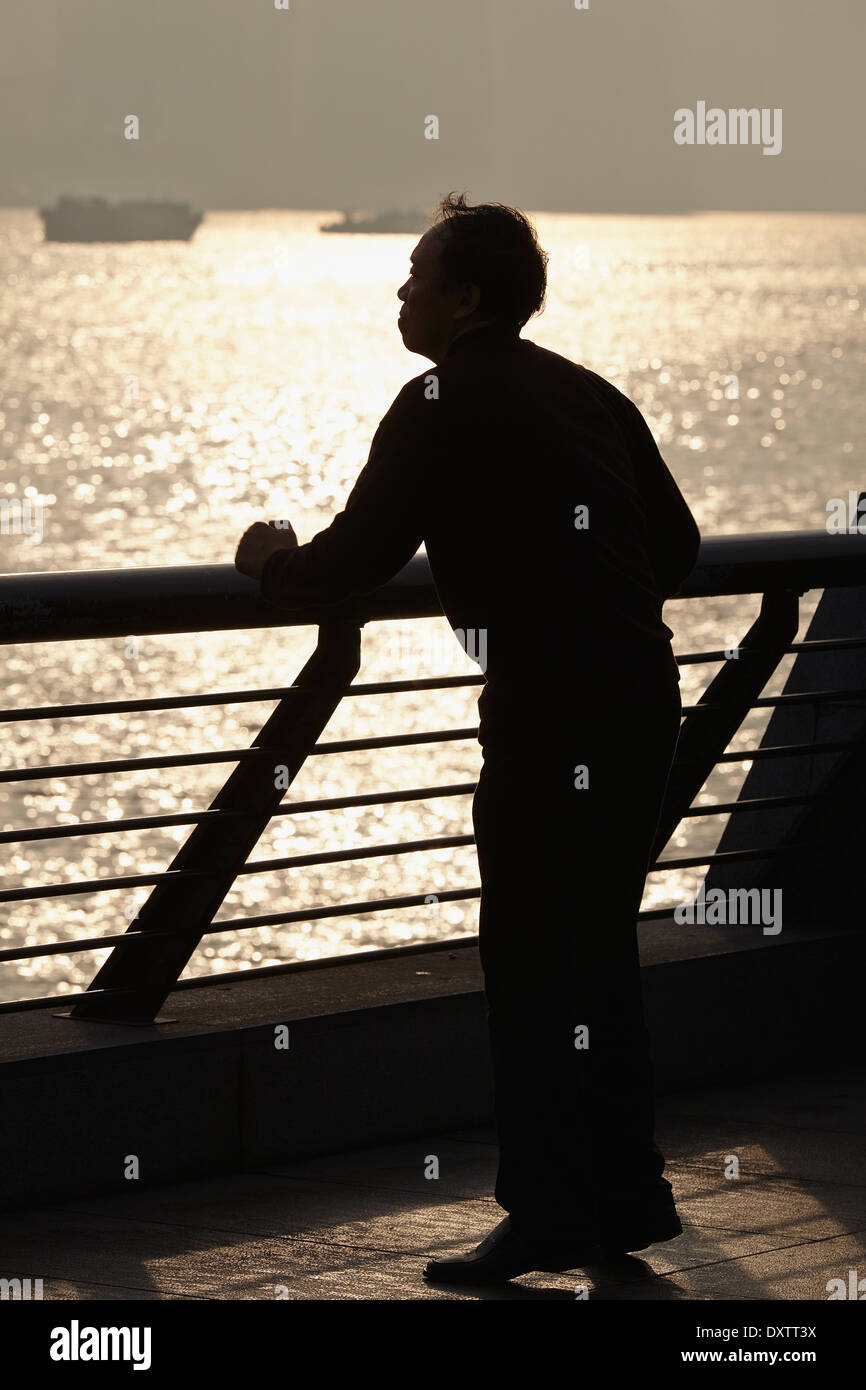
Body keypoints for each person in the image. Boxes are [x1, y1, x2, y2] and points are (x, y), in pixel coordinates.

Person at [235, 192, 701, 1285]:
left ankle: (545, 1214)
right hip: (640, 700)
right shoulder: (590, 394)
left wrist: (270, 561)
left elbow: (355, 555)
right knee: (597, 956)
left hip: (548, 719)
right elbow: (672, 546)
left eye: (415, 274)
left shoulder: (437, 401)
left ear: (466, 296)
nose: (399, 290)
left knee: (534, 965)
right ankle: (625, 1202)